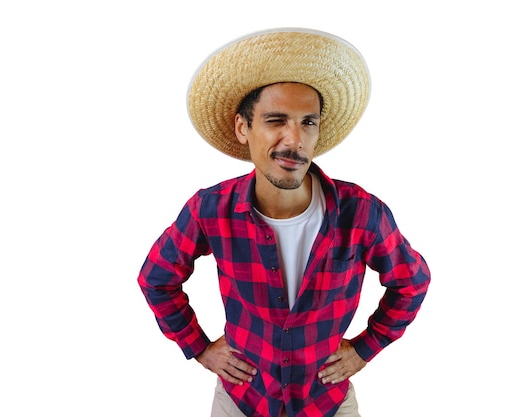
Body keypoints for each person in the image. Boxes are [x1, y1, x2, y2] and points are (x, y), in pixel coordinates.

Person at [138, 28, 431, 417]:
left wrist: (365, 348)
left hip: (326, 401)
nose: (295, 139)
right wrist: (199, 348)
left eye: (308, 122)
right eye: (276, 120)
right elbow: (156, 278)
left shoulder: (361, 212)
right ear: (244, 128)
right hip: (242, 400)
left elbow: (412, 282)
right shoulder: (209, 209)